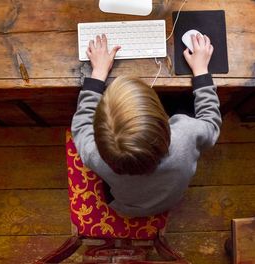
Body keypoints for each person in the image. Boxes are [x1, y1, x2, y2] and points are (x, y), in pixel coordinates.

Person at [71, 33, 222, 217]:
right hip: (169, 199)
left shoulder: (95, 155)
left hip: (126, 206)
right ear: (162, 115)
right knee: (184, 103)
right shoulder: (186, 134)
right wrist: (201, 72)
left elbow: (81, 124)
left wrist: (98, 74)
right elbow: (211, 123)